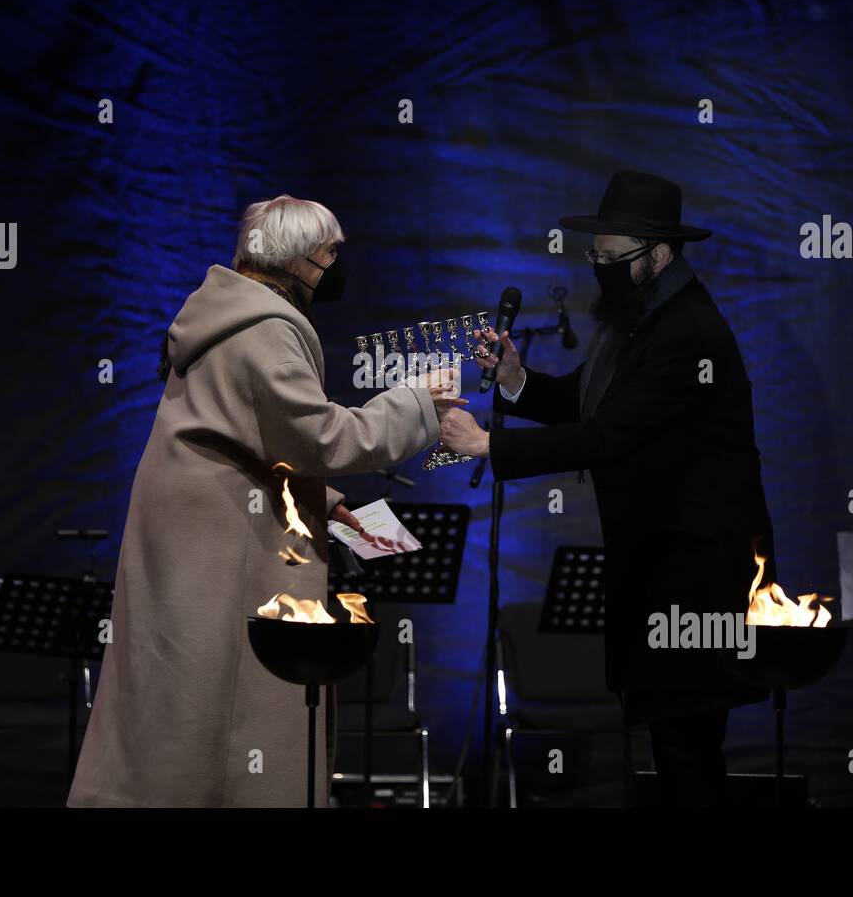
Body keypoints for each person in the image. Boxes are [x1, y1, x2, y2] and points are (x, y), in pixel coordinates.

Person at [69, 194, 454, 807]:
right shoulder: (267, 328)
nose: (338, 266)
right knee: (213, 695)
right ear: (299, 260)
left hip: (201, 521)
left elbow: (246, 432)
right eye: (330, 253)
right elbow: (322, 437)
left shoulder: (223, 314)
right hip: (219, 537)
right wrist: (416, 405)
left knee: (181, 693)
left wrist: (320, 502)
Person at [438, 171, 772, 805]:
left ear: (660, 254)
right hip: (657, 565)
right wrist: (516, 380)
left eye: (611, 257)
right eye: (594, 256)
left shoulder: (688, 332)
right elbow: (586, 403)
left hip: (696, 574)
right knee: (675, 743)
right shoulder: (639, 318)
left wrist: (490, 445)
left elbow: (610, 437)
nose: (599, 268)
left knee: (687, 744)